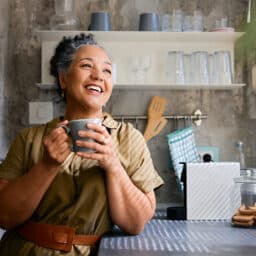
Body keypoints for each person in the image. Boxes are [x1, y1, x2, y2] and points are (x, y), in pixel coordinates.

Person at [0, 33, 164, 255]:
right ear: (63, 79)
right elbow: (5, 216)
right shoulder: (29, 139)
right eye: (87, 66)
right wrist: (46, 166)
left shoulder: (129, 139)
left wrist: (112, 164)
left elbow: (136, 223)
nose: (98, 75)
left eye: (107, 70)